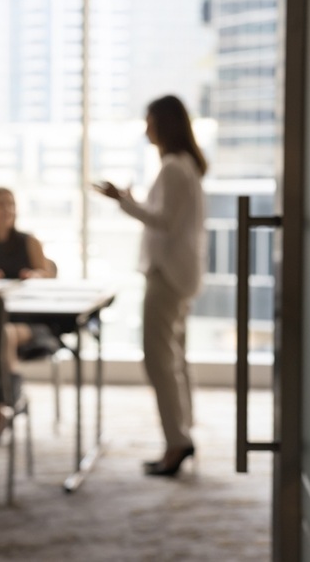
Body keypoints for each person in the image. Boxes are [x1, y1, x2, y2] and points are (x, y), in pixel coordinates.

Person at [93, 95, 207, 477]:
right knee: (175, 359)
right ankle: (182, 435)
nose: (145, 129)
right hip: (180, 274)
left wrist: (123, 201)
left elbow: (163, 221)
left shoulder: (175, 168)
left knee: (159, 361)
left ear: (163, 124)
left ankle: (177, 441)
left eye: (149, 121)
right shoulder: (185, 166)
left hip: (168, 276)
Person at [0, 187, 58, 445]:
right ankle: (8, 400)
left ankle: (4, 403)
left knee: (0, 336)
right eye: (0, 204)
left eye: (11, 204)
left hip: (30, 321)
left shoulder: (29, 242)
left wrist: (36, 276)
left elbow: (47, 275)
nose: (7, 210)